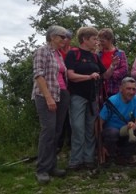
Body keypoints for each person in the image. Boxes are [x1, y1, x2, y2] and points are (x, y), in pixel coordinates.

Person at [65, 27, 114, 171]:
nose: (96, 42)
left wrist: (112, 66)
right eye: (94, 39)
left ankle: (88, 159)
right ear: (85, 40)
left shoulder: (94, 57)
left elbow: (105, 75)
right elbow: (71, 76)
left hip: (92, 97)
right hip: (77, 96)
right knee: (78, 128)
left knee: (90, 129)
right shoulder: (74, 54)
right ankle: (75, 161)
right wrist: (89, 76)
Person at [31, 25, 71, 184]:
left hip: (61, 94)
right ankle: (41, 170)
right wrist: (48, 98)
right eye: (62, 36)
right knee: (48, 131)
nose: (65, 39)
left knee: (56, 132)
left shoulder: (57, 54)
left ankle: (51, 166)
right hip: (46, 95)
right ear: (52, 37)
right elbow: (38, 75)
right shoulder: (42, 51)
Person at [99, 77, 136, 166]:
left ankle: (125, 156)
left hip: (124, 130)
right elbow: (99, 122)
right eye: (128, 88)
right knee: (113, 132)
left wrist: (135, 125)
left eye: (133, 89)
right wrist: (100, 145)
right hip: (110, 131)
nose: (131, 92)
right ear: (121, 89)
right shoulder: (112, 101)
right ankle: (110, 155)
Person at [98, 28, 127, 98]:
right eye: (100, 40)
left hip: (115, 88)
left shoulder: (120, 53)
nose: (101, 43)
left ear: (110, 40)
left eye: (103, 41)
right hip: (100, 90)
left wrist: (109, 74)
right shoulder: (98, 54)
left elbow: (124, 69)